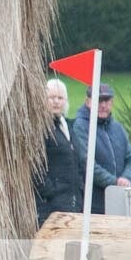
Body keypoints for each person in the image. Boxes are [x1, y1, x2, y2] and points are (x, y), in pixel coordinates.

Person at [71, 81, 131, 214]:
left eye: (106, 101)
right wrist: (115, 182)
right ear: (88, 102)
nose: (103, 105)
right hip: (93, 203)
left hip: (121, 200)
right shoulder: (80, 126)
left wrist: (127, 178)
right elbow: (86, 163)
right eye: (98, 100)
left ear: (112, 103)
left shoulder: (117, 128)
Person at [34, 76, 82, 225]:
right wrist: (50, 192)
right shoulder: (40, 127)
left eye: (60, 98)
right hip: (49, 207)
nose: (56, 101)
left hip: (72, 203)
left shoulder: (69, 127)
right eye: (52, 97)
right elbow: (35, 165)